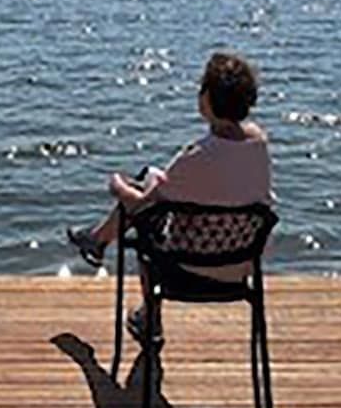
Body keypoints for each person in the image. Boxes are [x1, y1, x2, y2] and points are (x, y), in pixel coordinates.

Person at [67, 50, 274, 284]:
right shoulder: (259, 146)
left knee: (143, 209)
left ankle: (143, 307)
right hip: (241, 263)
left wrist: (117, 186)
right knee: (151, 180)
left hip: (188, 264)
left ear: (207, 99)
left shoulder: (196, 158)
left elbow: (140, 205)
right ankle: (97, 240)